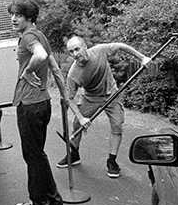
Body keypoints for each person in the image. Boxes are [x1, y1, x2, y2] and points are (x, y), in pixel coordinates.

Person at [56, 36, 151, 178]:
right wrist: (81, 118)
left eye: (77, 49)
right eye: (71, 52)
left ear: (85, 46)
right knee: (76, 125)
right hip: (90, 97)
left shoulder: (100, 51)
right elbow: (69, 98)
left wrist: (142, 57)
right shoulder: (74, 74)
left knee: (117, 125)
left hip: (111, 94)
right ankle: (74, 154)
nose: (75, 54)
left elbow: (120, 45)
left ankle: (112, 161)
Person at [9, 0, 68, 205]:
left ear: (30, 17)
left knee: (32, 155)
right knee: (38, 154)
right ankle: (54, 200)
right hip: (43, 103)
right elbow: (53, 66)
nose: (13, 18)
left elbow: (41, 56)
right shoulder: (40, 35)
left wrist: (27, 72)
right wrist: (64, 96)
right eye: (12, 14)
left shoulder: (29, 37)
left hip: (30, 104)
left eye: (19, 15)